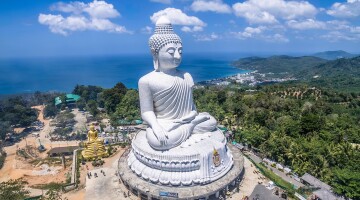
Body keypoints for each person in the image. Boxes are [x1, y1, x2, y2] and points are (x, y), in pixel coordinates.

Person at [138, 16, 217, 150]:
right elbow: (146, 112)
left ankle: (191, 126)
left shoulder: (186, 76)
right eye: (171, 52)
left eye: (180, 51)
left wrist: (190, 117)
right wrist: (156, 127)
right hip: (164, 122)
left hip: (187, 120)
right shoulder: (146, 80)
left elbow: (192, 107)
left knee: (212, 122)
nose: (177, 56)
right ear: (155, 52)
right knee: (157, 141)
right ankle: (191, 127)